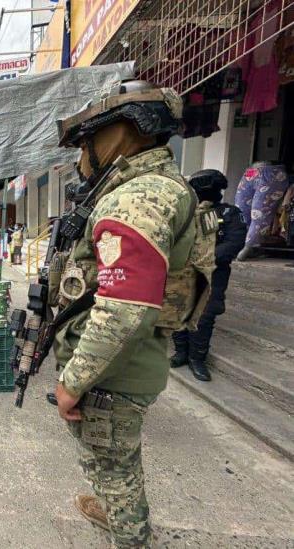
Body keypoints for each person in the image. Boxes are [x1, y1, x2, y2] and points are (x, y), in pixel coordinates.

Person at [52, 81, 215, 548]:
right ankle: (115, 506)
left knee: (114, 466)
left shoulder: (136, 199)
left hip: (113, 375)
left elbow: (124, 311)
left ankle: (128, 529)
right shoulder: (154, 188)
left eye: (87, 142)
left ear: (121, 134)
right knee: (114, 458)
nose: (83, 156)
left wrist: (73, 382)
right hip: (126, 365)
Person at [171, 169, 246, 381]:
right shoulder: (187, 214)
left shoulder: (228, 213)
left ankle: (197, 359)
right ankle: (181, 353)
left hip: (213, 274)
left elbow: (233, 244)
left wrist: (202, 260)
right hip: (183, 274)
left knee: (203, 316)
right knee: (179, 313)